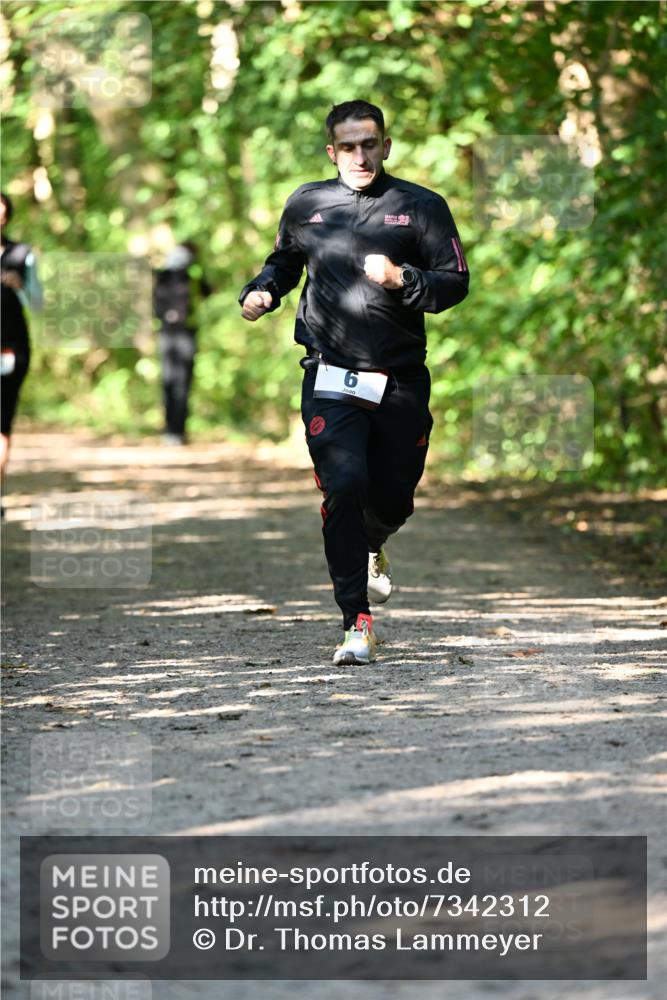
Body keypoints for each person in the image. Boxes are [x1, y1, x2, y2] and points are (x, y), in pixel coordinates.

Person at [239, 100, 469, 665]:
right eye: (348, 147)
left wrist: (403, 278)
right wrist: (263, 290)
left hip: (400, 380)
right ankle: (356, 622)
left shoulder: (421, 206)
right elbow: (285, 261)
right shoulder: (307, 203)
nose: (360, 156)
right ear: (332, 151)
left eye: (369, 145)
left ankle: (374, 540)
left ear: (385, 146)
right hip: (330, 373)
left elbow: (455, 282)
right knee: (343, 485)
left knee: (394, 498)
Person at [1, 192, 43, 511]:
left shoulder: (22, 255)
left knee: (1, 420)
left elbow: (39, 305)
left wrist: (22, 287)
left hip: (9, 348)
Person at [153, 241, 211, 445]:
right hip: (182, 334)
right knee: (178, 383)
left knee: (172, 383)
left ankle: (172, 431)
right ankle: (175, 432)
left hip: (170, 334)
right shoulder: (191, 273)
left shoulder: (165, 274)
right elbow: (207, 291)